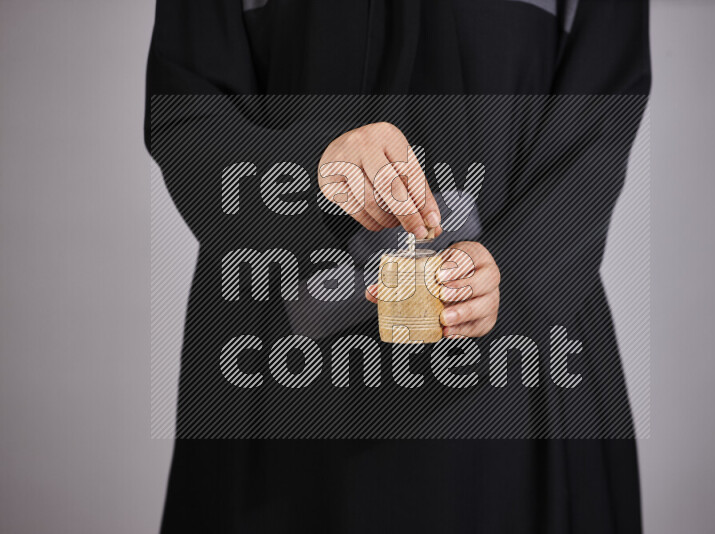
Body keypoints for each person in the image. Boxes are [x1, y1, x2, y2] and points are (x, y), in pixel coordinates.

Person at [145, 0, 651, 532]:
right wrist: (306, 168)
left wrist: (514, 270)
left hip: (521, 378)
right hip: (280, 381)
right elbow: (183, 108)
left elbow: (603, 115)